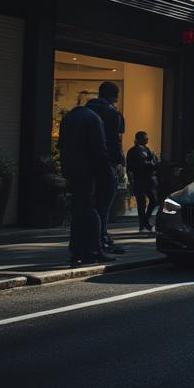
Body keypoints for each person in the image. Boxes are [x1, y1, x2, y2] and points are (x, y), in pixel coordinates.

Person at [58, 103, 111, 265]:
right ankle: (93, 250)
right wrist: (106, 173)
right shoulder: (94, 119)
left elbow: (61, 145)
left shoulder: (68, 118)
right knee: (91, 210)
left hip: (72, 170)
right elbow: (99, 148)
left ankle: (77, 249)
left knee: (79, 209)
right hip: (88, 171)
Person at [86, 82, 126, 255]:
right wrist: (119, 162)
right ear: (114, 96)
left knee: (86, 205)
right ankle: (101, 240)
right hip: (105, 165)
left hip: (84, 166)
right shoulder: (112, 114)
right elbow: (114, 143)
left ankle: (87, 241)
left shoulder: (85, 111)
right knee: (104, 206)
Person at [125, 131, 159, 233]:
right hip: (142, 179)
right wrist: (154, 164)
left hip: (144, 179)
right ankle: (143, 223)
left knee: (149, 201)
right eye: (145, 138)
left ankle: (144, 222)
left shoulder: (144, 149)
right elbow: (144, 164)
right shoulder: (138, 151)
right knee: (144, 202)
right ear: (140, 139)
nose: (147, 140)